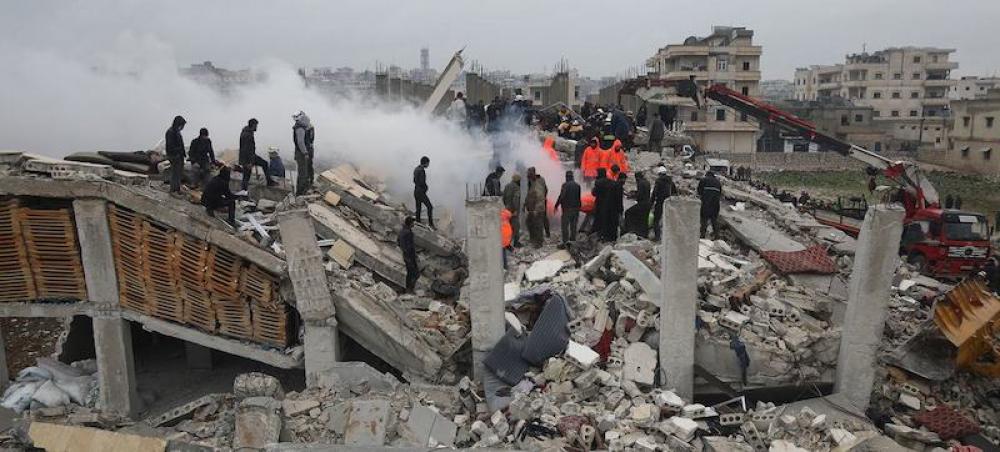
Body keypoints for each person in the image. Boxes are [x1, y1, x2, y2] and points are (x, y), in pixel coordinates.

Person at [238, 118, 275, 194]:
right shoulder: (247, 135)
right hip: (248, 158)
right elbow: (246, 150)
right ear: (253, 125)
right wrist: (249, 163)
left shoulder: (247, 132)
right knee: (247, 175)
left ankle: (244, 191)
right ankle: (244, 192)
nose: (257, 127)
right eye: (256, 125)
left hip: (249, 157)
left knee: (247, 175)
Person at [553, 170, 581, 247]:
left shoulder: (565, 185)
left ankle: (565, 243)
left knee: (565, 226)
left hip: (567, 209)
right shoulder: (577, 185)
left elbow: (562, 196)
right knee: (573, 226)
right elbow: (578, 197)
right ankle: (573, 241)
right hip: (576, 209)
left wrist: (556, 205)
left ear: (566, 177)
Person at [292, 111, 315, 196]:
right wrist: (305, 153)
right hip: (302, 153)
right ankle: (300, 193)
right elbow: (300, 142)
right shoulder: (300, 128)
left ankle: (304, 189)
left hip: (303, 152)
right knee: (303, 173)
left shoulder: (304, 126)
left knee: (306, 172)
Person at [592, 168, 617, 242]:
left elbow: (594, 193)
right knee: (607, 220)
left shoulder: (598, 182)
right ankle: (607, 235)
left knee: (599, 219)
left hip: (600, 203)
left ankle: (599, 234)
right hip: (610, 204)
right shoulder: (610, 181)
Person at [623, 171, 652, 237]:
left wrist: (631, 196)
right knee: (644, 219)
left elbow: (640, 194)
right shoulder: (647, 182)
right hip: (648, 203)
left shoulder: (640, 183)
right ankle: (644, 233)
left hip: (642, 203)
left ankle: (630, 229)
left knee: (628, 213)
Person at [524, 169, 547, 248]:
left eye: (529, 177)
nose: (528, 178)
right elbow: (529, 194)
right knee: (529, 222)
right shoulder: (531, 182)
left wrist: (536, 209)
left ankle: (539, 242)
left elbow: (540, 197)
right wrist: (525, 204)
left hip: (538, 208)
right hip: (532, 207)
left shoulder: (538, 183)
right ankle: (533, 238)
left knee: (538, 225)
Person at [697, 171, 723, 239]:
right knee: (714, 220)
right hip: (715, 205)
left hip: (706, 203)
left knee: (704, 220)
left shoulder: (703, 180)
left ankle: (702, 235)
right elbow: (720, 193)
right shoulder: (718, 182)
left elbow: (699, 192)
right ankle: (717, 236)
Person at [165, 115, 186, 195]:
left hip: (179, 155)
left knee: (179, 173)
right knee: (175, 173)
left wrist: (183, 154)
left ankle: (177, 188)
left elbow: (181, 144)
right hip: (174, 155)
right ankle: (173, 190)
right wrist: (178, 152)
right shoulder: (170, 132)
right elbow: (170, 146)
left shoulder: (176, 132)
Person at [652, 166, 674, 241]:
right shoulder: (670, 181)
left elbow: (655, 192)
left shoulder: (658, 181)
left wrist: (651, 202)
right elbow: (675, 192)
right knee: (668, 220)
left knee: (656, 220)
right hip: (668, 202)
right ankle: (668, 237)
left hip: (660, 202)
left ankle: (657, 237)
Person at [527, 167, 550, 238]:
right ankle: (534, 235)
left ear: (534, 173)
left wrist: (542, 198)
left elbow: (545, 189)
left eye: (530, 174)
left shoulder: (540, 180)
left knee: (542, 218)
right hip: (535, 202)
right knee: (533, 218)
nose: (529, 176)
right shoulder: (531, 181)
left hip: (540, 202)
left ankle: (545, 233)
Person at [397, 216, 419, 293]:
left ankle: (408, 288)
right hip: (409, 256)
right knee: (414, 273)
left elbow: (399, 242)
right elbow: (409, 246)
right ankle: (409, 289)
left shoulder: (403, 231)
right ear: (410, 223)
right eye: (413, 222)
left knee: (410, 273)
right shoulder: (408, 233)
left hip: (408, 255)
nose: (414, 224)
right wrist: (410, 254)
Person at [413, 156, 434, 229]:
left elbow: (414, 181)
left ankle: (418, 222)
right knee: (430, 207)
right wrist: (426, 187)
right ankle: (431, 224)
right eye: (428, 163)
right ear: (425, 163)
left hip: (416, 191)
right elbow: (422, 182)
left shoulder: (416, 169)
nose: (428, 165)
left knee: (418, 208)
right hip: (420, 192)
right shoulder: (422, 170)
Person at [502, 174, 522, 247]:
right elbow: (516, 199)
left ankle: (507, 244)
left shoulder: (507, 186)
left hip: (507, 209)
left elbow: (503, 198)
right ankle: (516, 243)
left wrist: (507, 206)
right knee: (516, 227)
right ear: (518, 181)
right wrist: (516, 210)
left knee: (508, 227)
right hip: (513, 211)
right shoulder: (517, 187)